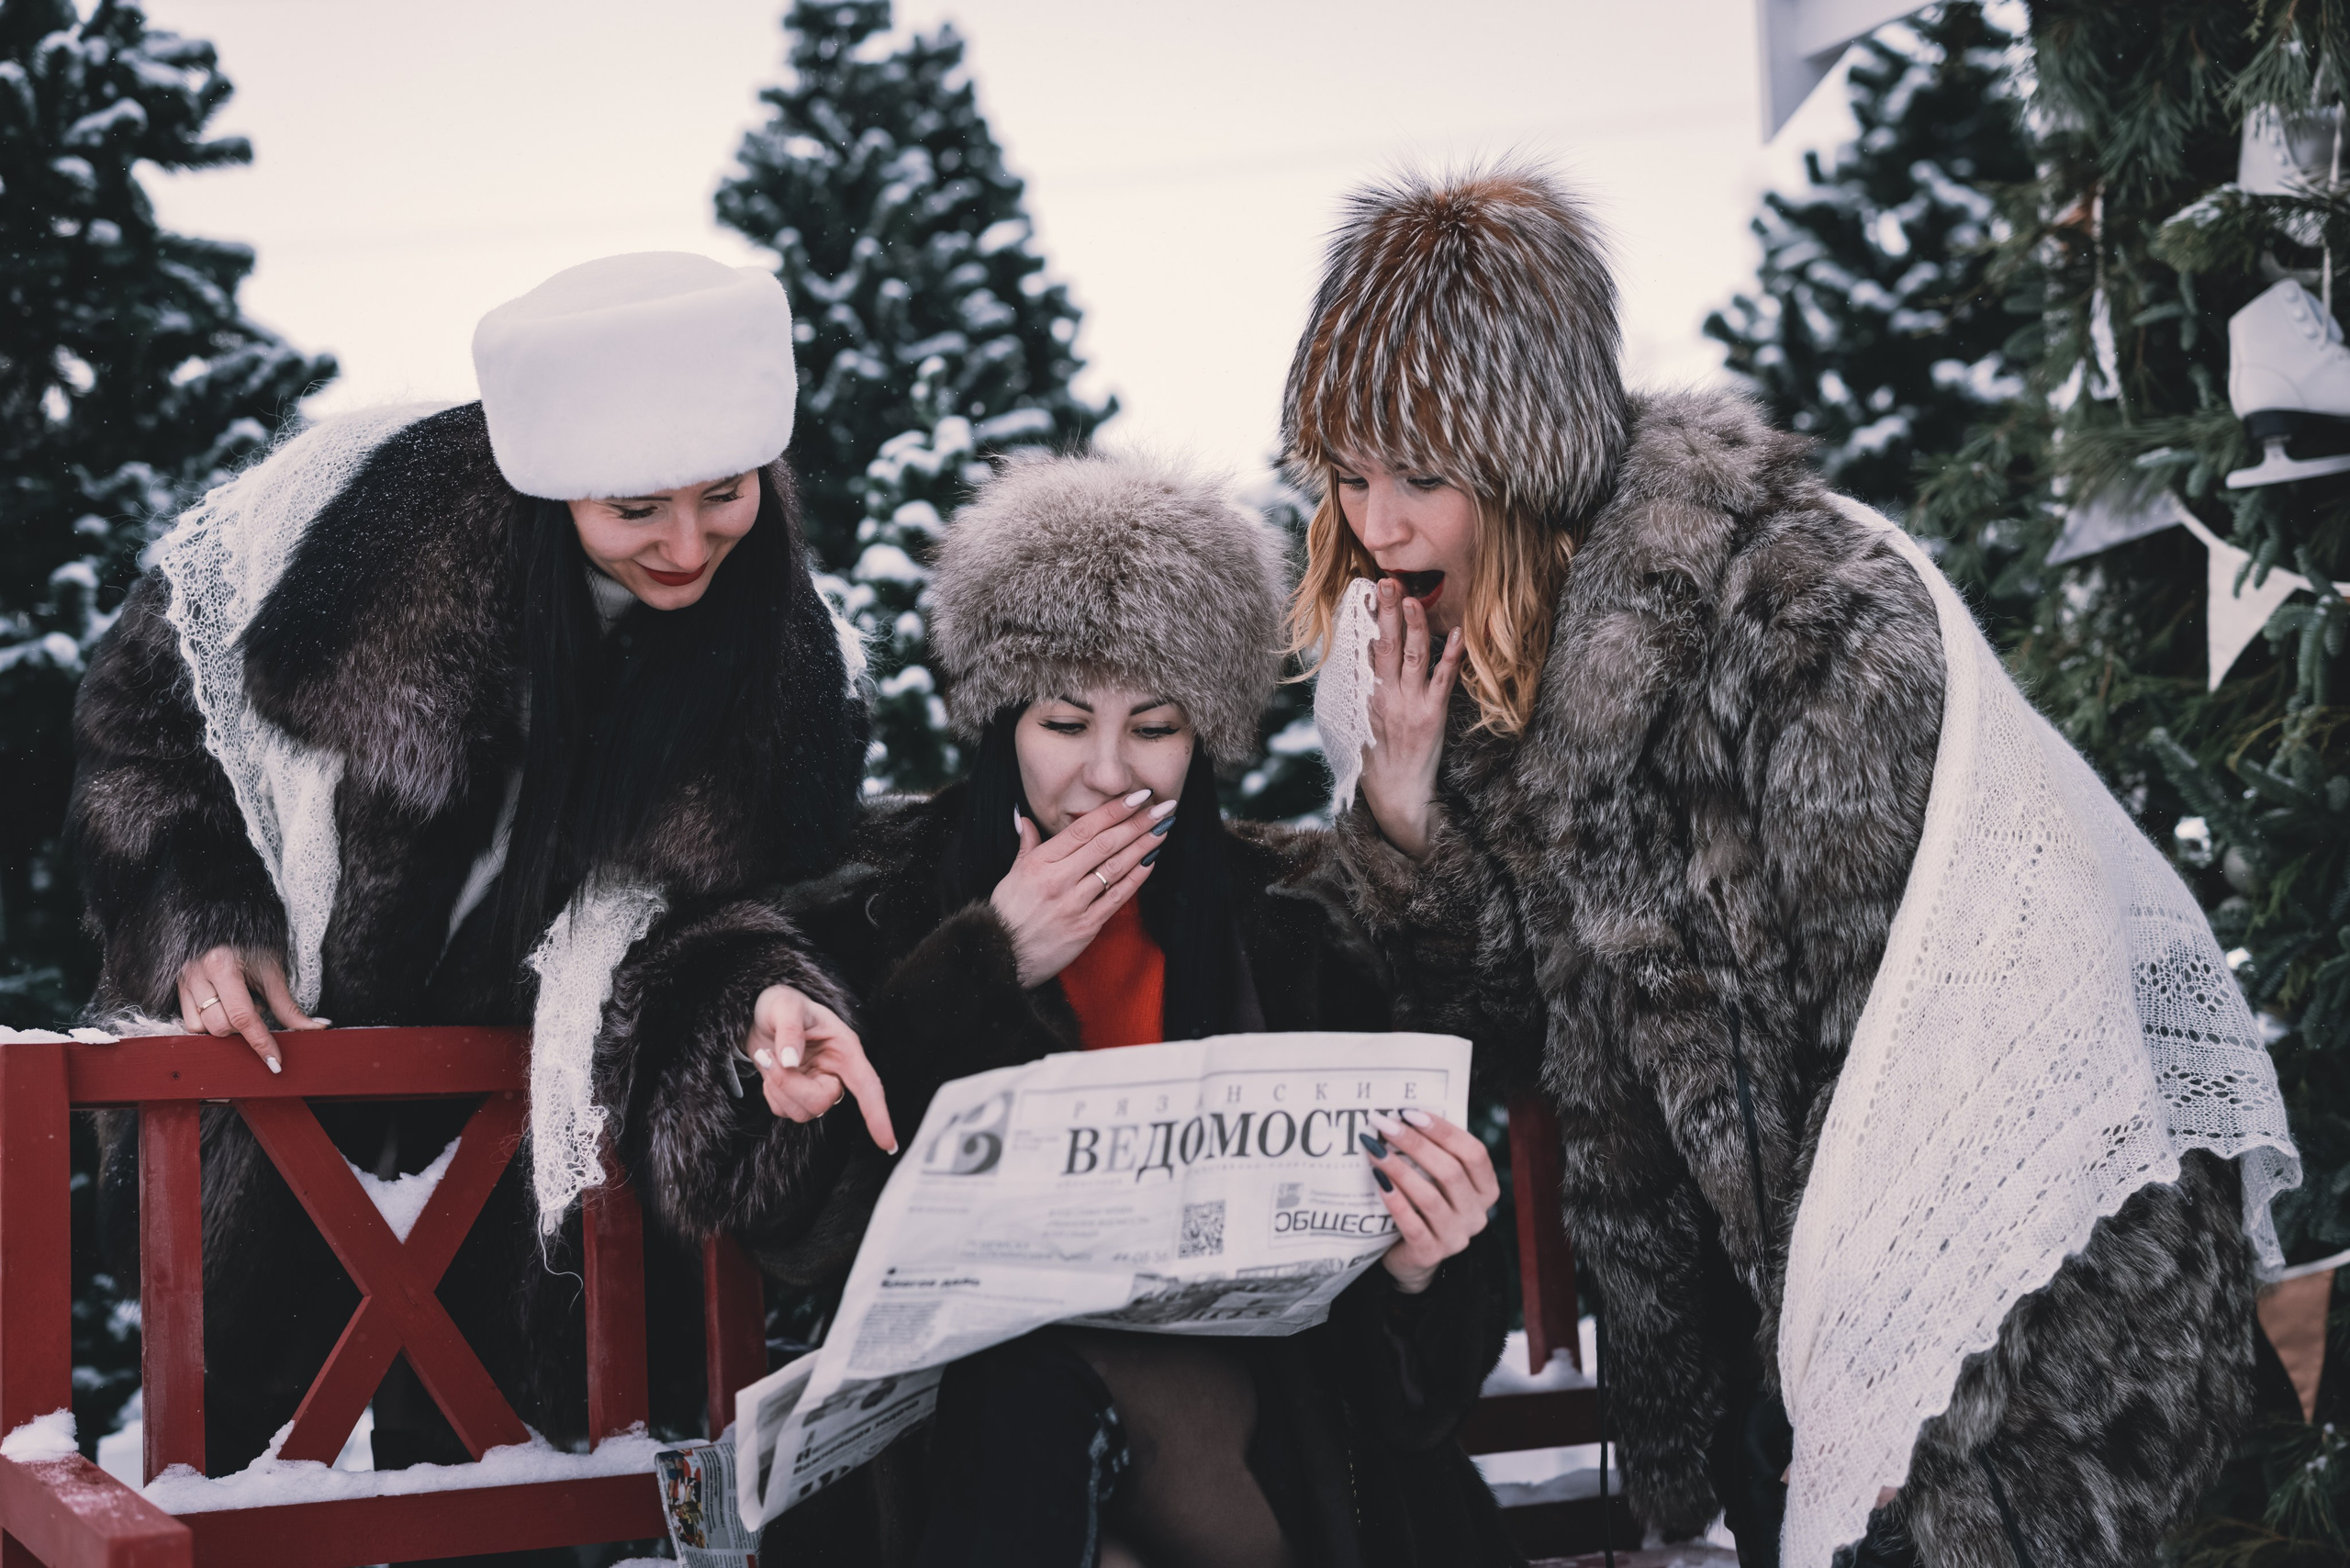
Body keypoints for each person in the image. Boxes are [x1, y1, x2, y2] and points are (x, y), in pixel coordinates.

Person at [1281, 166, 2286, 1568]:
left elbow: (1928, 1041)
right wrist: (1399, 804)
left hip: (2013, 1326)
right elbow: (1502, 1026)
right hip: (1770, 1342)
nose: (1375, 525)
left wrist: (1886, 1395)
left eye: (1421, 480)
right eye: (1348, 473)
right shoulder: (1481, 680)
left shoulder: (1809, 622)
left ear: (1533, 467)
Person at [68, 252, 889, 1494]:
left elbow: (709, 919)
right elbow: (144, 732)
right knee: (239, 1477)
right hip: (274, 1106)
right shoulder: (340, 534)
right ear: (551, 482)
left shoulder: (785, 664)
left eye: (726, 494)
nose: (687, 544)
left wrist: (764, 998)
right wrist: (201, 919)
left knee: (494, 1492)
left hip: (528, 1190)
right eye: (634, 509)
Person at [747, 451, 1521, 1568]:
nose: (1109, 775)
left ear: (1201, 738)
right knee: (1020, 1396)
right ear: (1003, 720)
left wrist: (1418, 1266)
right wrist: (988, 958)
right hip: (966, 1447)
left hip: (1254, 1436)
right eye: (1065, 723)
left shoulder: (1284, 922)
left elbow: (1403, 1388)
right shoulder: (881, 899)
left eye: (1154, 727)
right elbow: (795, 1220)